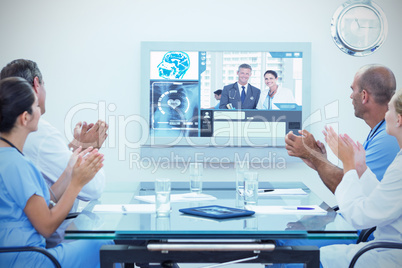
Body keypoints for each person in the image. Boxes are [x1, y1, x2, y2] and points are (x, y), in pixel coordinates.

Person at [0, 77, 113, 267]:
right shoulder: (18, 165)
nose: (40, 112)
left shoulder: (9, 159)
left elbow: (43, 202)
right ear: (25, 117)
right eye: (36, 106)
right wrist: (76, 184)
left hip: (9, 258)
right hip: (30, 260)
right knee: (105, 245)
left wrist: (71, 165)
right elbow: (46, 226)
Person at [320, 87, 402, 267]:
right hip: (385, 248)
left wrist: (349, 165)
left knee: (300, 259)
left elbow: (360, 217)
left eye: (389, 109)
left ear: (399, 119)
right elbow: (382, 201)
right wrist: (360, 167)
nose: (385, 115)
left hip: (390, 256)